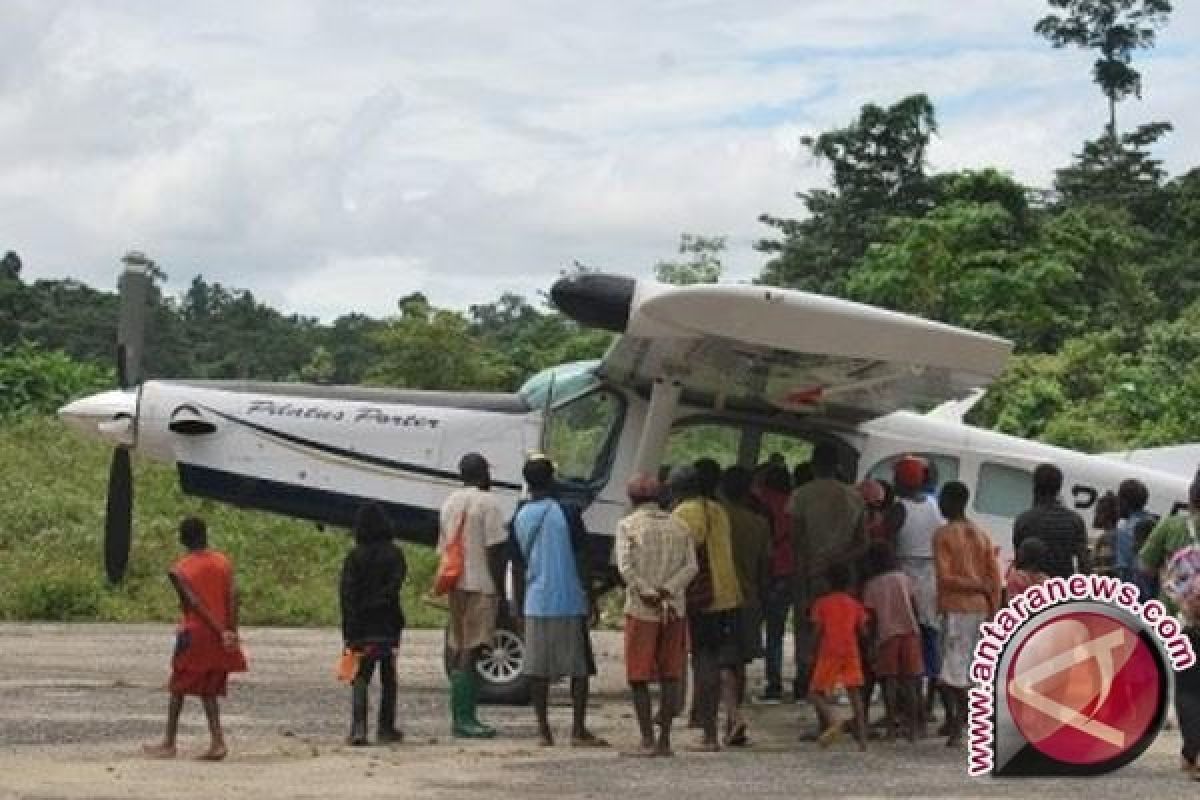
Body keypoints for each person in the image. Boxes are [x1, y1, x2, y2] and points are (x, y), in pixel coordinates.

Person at [514, 456, 606, 748]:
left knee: (537, 670)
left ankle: (544, 732)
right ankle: (578, 730)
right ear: (553, 478)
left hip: (536, 601)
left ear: (527, 483)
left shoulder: (519, 516)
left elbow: (517, 566)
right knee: (579, 668)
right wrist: (590, 595)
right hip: (569, 599)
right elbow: (583, 557)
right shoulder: (568, 512)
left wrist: (517, 605)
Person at [144, 517, 246, 761]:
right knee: (208, 690)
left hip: (196, 633)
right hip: (220, 635)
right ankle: (217, 741)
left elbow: (194, 604)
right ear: (205, 535)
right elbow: (233, 596)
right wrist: (230, 630)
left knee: (177, 688)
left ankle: (169, 743)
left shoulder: (179, 570)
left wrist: (219, 630)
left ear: (183, 539)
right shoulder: (223, 562)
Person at [615, 474, 698, 757]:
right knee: (670, 673)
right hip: (674, 609)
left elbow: (626, 568)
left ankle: (646, 739)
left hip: (642, 609)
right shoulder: (680, 526)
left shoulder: (627, 526)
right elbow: (691, 567)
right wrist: (668, 590)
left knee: (638, 674)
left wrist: (647, 590)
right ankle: (664, 741)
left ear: (632, 499)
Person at [672, 460, 743, 751]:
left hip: (704, 598)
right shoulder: (717, 509)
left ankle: (710, 734)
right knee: (721, 660)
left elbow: (681, 552)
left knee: (704, 662)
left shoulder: (685, 513)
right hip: (728, 594)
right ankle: (723, 724)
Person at [438, 452, 507, 739]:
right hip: (481, 583)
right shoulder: (488, 503)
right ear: (484, 474)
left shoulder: (449, 502)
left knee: (458, 643)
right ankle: (465, 719)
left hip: (456, 582)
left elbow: (443, 546)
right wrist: (499, 585)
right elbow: (495, 548)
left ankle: (460, 714)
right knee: (474, 647)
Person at [790, 442, 866, 701]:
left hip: (811, 572)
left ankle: (811, 683)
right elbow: (862, 542)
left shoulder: (801, 495)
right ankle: (841, 685)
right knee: (843, 631)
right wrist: (840, 560)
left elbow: (796, 541)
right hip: (844, 576)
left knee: (812, 629)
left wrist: (806, 572)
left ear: (813, 465)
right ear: (838, 467)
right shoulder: (854, 496)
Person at [1139, 476, 1200, 778]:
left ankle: (1192, 754)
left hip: (1181, 616)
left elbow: (1145, 565)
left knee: (1188, 686)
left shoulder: (1171, 526)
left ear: (1190, 499)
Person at [933, 481, 1001, 748]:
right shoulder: (982, 534)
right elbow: (994, 578)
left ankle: (963, 722)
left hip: (957, 607)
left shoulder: (944, 535)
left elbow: (945, 577)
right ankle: (960, 721)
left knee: (953, 671)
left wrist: (975, 586)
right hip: (980, 608)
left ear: (951, 501)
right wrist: (992, 607)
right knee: (967, 669)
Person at [340, 503, 407, 746]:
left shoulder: (354, 557)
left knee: (360, 676)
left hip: (361, 627)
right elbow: (395, 587)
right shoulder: (395, 554)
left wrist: (350, 629)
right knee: (388, 675)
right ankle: (386, 727)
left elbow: (347, 595)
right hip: (388, 625)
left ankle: (358, 728)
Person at [884, 455, 944, 720]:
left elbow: (888, 544)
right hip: (930, 577)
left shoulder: (899, 508)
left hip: (905, 576)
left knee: (904, 643)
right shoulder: (934, 505)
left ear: (902, 480)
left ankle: (904, 707)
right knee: (929, 642)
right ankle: (927, 705)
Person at [720, 465, 770, 744]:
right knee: (740, 663)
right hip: (751, 598)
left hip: (723, 599)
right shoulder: (759, 524)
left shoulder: (719, 519)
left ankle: (734, 716)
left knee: (723, 662)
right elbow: (765, 568)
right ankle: (731, 722)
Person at [861, 542, 922, 742]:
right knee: (911, 682)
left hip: (887, 636)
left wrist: (871, 642)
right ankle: (913, 728)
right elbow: (914, 606)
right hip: (910, 633)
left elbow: (871, 618)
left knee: (890, 682)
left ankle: (891, 729)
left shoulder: (871, 586)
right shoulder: (904, 579)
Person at [807, 563, 868, 750]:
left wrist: (811, 651)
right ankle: (862, 739)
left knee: (815, 693)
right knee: (854, 694)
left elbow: (817, 631)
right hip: (850, 652)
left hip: (829, 652)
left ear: (827, 582)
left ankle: (834, 720)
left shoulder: (822, 603)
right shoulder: (855, 604)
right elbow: (864, 631)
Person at [751, 463, 794, 704]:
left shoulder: (760, 499)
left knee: (751, 623)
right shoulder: (792, 503)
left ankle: (739, 675)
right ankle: (775, 682)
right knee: (777, 631)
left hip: (762, 570)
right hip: (787, 571)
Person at [1013, 463, 1090, 578]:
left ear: (1035, 487)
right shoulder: (1075, 520)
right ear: (1059, 488)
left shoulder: (1023, 520)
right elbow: (1084, 564)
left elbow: (1019, 563)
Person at [1115, 479, 1152, 582]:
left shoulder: (1124, 530)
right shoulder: (1156, 523)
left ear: (1125, 502)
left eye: (1119, 500)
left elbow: (1122, 570)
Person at [1091, 491, 1120, 578]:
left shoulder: (1105, 538)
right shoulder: (1119, 534)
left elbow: (1103, 569)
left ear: (1105, 514)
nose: (1095, 515)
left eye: (1097, 512)